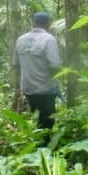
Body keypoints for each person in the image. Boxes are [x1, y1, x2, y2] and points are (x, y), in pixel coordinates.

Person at [14, 11, 62, 144]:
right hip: (45, 89)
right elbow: (55, 65)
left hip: (28, 88)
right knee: (47, 120)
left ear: (34, 23)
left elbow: (16, 64)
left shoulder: (21, 39)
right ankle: (44, 149)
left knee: (38, 119)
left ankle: (37, 143)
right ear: (48, 23)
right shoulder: (49, 39)